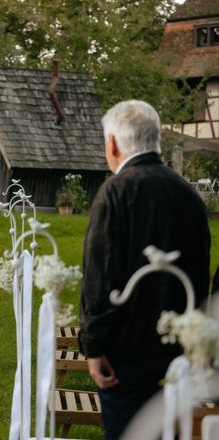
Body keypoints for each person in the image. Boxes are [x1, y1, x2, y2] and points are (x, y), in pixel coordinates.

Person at [78, 100, 210, 440]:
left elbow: (100, 275)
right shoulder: (189, 195)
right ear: (156, 140)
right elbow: (199, 268)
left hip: (126, 354)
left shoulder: (115, 192)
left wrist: (93, 346)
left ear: (112, 144)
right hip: (179, 351)